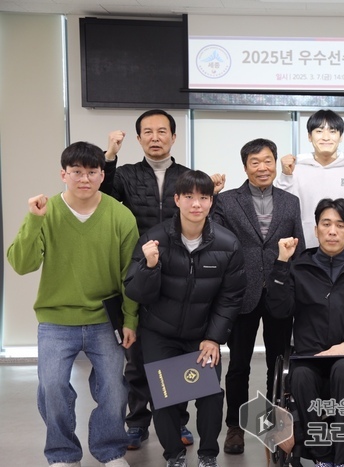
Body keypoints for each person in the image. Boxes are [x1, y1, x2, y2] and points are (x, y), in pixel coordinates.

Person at [7, 141, 139, 467]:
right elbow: (21, 264)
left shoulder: (120, 216)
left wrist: (130, 320)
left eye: (92, 172)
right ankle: (63, 454)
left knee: (114, 388)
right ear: (63, 174)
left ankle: (110, 451)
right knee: (52, 387)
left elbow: (131, 275)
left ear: (102, 175)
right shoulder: (46, 211)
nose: (84, 178)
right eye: (76, 171)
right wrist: (34, 220)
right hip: (56, 320)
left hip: (104, 320)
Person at [101, 109, 224, 449]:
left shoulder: (187, 177)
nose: (155, 137)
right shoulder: (125, 174)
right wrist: (109, 156)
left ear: (173, 136)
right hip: (139, 271)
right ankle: (137, 422)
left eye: (162, 131)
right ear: (138, 138)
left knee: (176, 358)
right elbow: (104, 197)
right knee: (137, 356)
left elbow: (203, 217)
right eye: (148, 131)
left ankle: (178, 422)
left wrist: (215, 194)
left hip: (179, 275)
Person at [124, 170, 246, 467]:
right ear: (176, 199)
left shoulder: (228, 244)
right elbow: (136, 291)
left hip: (201, 333)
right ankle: (174, 456)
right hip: (159, 332)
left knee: (209, 394)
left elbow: (231, 297)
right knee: (164, 394)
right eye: (189, 196)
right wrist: (150, 266)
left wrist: (214, 338)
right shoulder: (154, 239)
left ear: (211, 201)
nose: (196, 204)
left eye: (203, 197)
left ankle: (208, 456)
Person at [266, 198, 344, 467]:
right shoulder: (299, 268)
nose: (333, 231)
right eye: (326, 224)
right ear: (316, 229)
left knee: (342, 370)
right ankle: (323, 457)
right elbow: (279, 310)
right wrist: (282, 262)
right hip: (308, 358)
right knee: (300, 376)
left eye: (340, 225)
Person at [211, 138, 305, 455]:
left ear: (275, 164)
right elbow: (214, 239)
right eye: (255, 162)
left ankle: (274, 427)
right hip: (242, 292)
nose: (262, 167)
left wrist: (298, 289)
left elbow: (299, 247)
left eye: (267, 161)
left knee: (278, 364)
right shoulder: (226, 201)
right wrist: (211, 196)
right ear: (245, 167)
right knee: (238, 365)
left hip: (279, 291)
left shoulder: (290, 202)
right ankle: (235, 428)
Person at [274, 109, 344, 258]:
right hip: (302, 255)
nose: (326, 137)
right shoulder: (294, 171)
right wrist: (285, 176)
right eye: (319, 131)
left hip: (343, 258)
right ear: (309, 136)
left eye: (332, 131)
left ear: (341, 137)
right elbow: (280, 210)